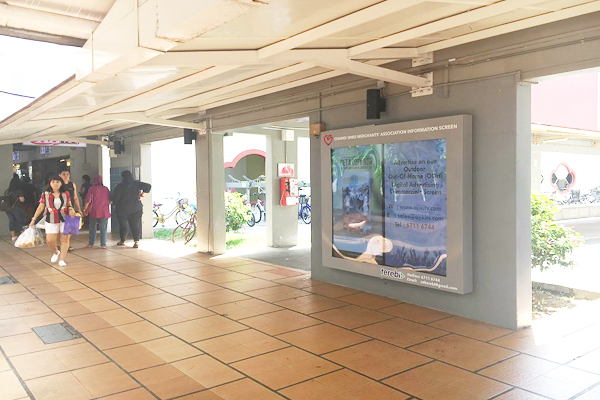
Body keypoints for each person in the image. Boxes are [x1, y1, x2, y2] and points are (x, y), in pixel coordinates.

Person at [29, 176, 76, 267]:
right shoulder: (45, 194)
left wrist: (71, 210)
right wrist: (33, 219)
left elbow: (69, 205)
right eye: (53, 182)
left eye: (57, 182)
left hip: (65, 218)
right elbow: (41, 207)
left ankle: (62, 259)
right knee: (50, 240)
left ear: (61, 183)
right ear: (50, 183)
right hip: (51, 218)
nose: (55, 184)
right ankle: (56, 251)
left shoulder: (66, 193)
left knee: (65, 239)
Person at [112, 170, 151, 248]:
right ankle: (136, 242)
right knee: (135, 225)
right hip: (136, 208)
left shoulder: (120, 186)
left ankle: (122, 240)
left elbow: (115, 198)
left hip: (123, 209)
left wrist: (114, 205)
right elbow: (148, 186)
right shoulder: (136, 184)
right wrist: (142, 195)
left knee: (123, 225)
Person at [84, 175, 111, 249]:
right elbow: (110, 199)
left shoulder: (91, 189)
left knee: (92, 227)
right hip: (104, 211)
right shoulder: (106, 189)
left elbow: (87, 200)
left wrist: (84, 210)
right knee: (103, 228)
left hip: (94, 211)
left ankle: (91, 243)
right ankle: (103, 244)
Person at [58, 168, 82, 251]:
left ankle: (66, 243)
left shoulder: (72, 185)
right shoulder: (58, 185)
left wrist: (79, 209)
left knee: (71, 228)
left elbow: (75, 198)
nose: (66, 176)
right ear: (59, 175)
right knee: (63, 228)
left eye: (67, 174)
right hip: (60, 210)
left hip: (70, 209)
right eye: (64, 174)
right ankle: (65, 245)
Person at [5, 174, 26, 240]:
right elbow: (21, 200)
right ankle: (23, 235)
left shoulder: (7, 191)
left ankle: (13, 236)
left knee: (11, 221)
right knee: (20, 221)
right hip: (16, 207)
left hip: (8, 208)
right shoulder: (19, 191)